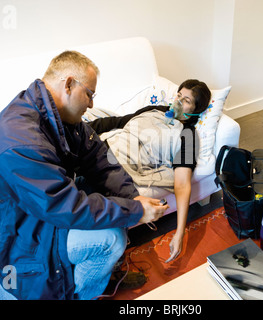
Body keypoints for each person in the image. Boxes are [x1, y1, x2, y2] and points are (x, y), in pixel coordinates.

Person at [0, 50, 168, 300]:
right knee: (112, 238)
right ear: (69, 84)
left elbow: (99, 159)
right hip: (19, 238)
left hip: (36, 210)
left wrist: (133, 198)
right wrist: (134, 211)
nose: (92, 104)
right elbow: (66, 206)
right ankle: (83, 293)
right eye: (90, 94)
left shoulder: (56, 116)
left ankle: (98, 272)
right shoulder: (21, 141)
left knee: (108, 200)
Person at [87, 79, 211, 263]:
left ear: (196, 110)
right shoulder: (157, 110)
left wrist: (179, 232)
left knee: (82, 203)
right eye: (178, 95)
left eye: (186, 100)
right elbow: (118, 122)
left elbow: (182, 184)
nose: (177, 101)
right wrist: (78, 130)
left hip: (117, 167)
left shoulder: (188, 136)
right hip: (103, 147)